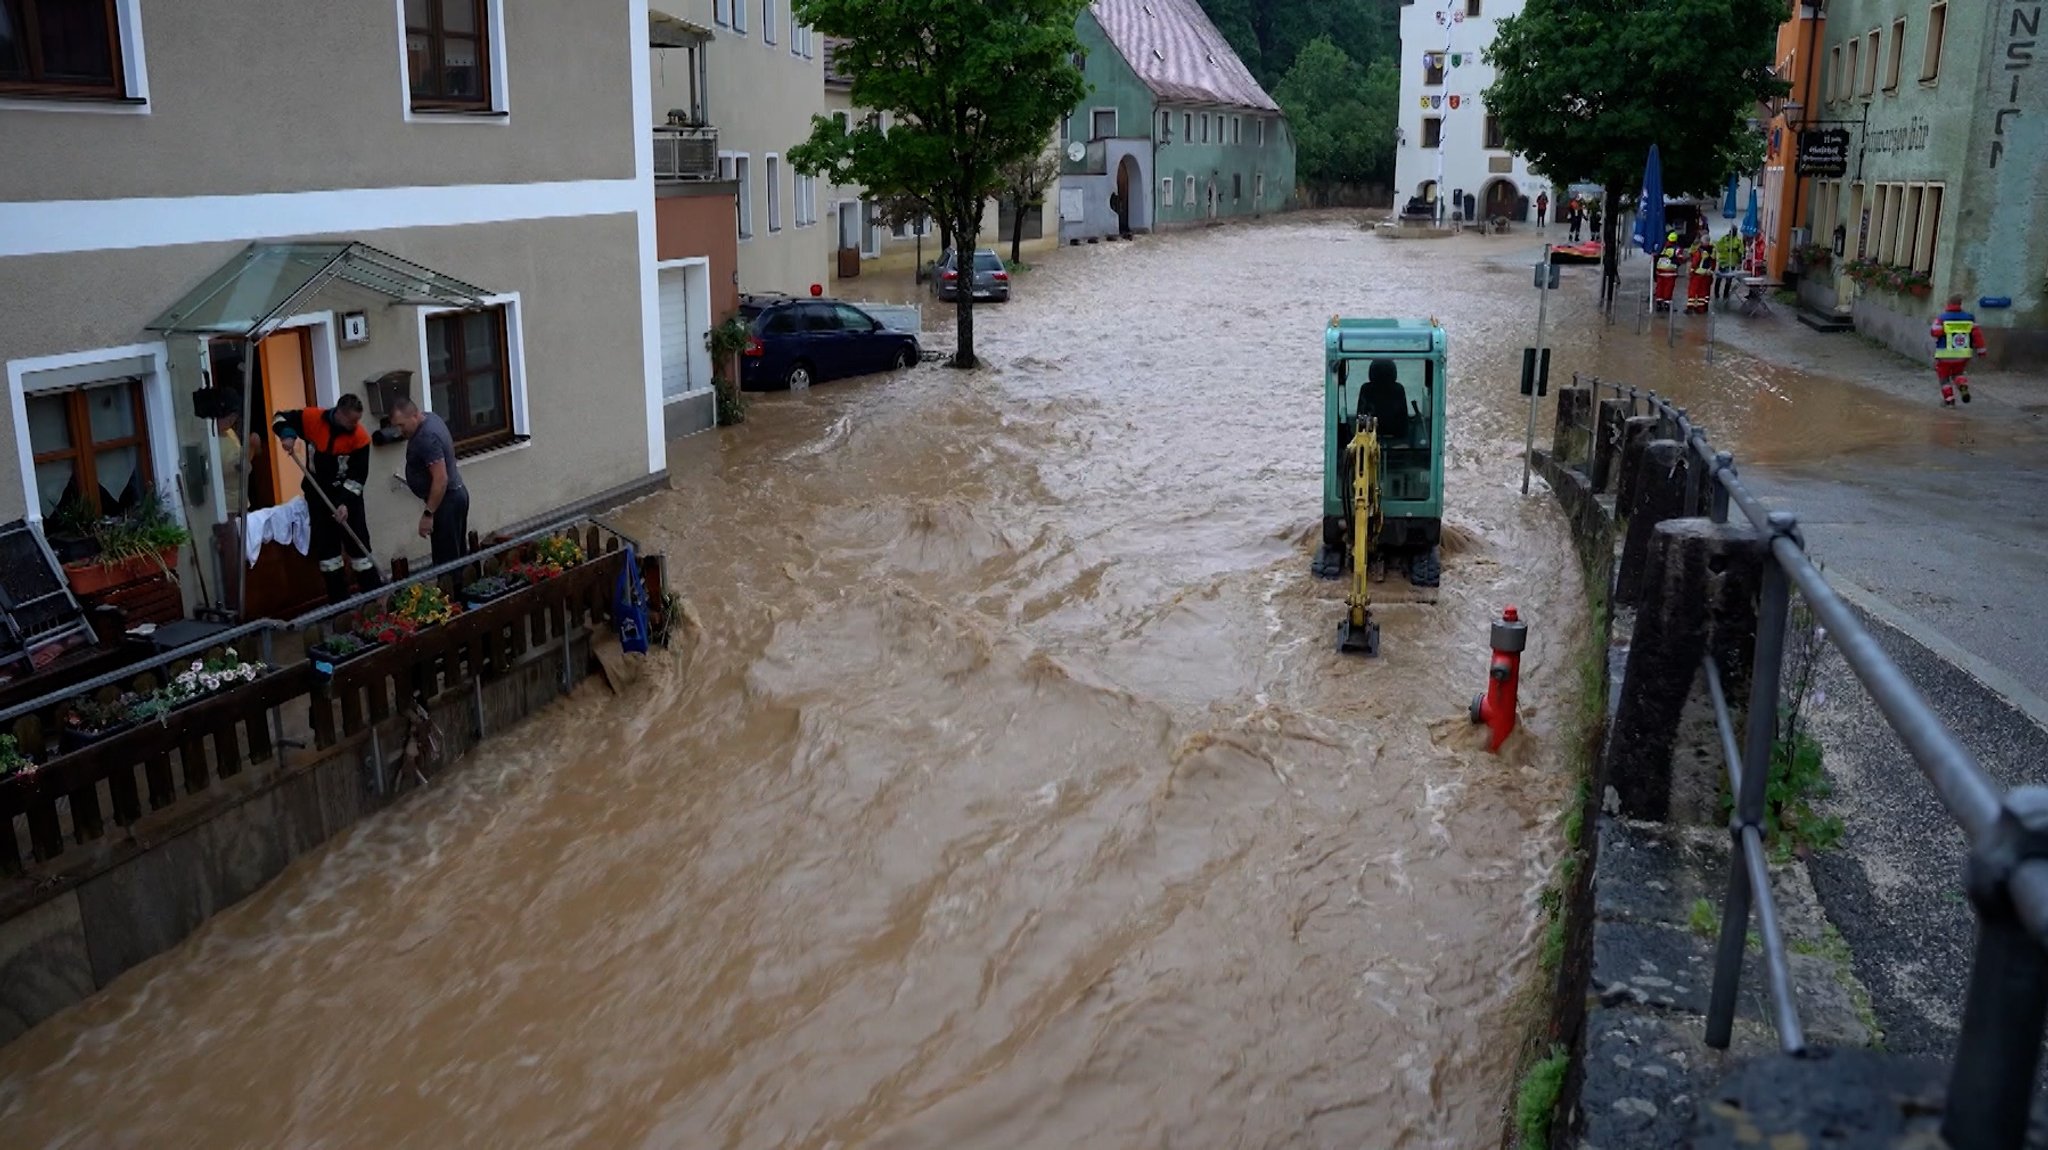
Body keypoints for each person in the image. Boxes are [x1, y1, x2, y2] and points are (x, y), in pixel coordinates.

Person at [273, 394, 381, 603]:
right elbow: (279, 418)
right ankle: (339, 604)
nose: (355, 425)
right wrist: (287, 435)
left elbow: (358, 477)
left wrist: (345, 503)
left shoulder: (360, 437)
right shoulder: (313, 419)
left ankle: (373, 599)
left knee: (360, 551)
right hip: (318, 497)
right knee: (329, 555)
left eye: (357, 420)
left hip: (348, 499)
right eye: (351, 420)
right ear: (339, 413)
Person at [379, 396, 470, 566]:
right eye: (395, 426)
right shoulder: (430, 418)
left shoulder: (426, 438)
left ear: (414, 416)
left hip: (447, 502)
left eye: (401, 425)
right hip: (454, 496)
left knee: (447, 563)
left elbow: (441, 479)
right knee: (456, 556)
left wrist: (429, 514)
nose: (399, 431)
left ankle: (452, 591)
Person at [1929, 293, 1987, 406]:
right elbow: (1977, 335)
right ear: (1960, 304)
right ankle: (1962, 386)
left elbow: (1934, 332)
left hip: (1945, 354)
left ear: (1948, 304)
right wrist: (1981, 350)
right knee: (1958, 373)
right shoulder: (1970, 318)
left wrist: (1945, 331)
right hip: (1962, 354)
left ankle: (1949, 400)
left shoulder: (1942, 318)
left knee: (1944, 377)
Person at [1686, 234, 1716, 315]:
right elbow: (1714, 262)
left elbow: (1695, 262)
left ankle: (1690, 308)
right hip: (1707, 274)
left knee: (1693, 291)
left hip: (1698, 274)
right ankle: (1702, 308)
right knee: (1704, 293)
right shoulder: (1712, 250)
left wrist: (1691, 271)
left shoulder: (1700, 251)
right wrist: (1711, 271)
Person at [1653, 230, 1681, 311]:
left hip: (1660, 271)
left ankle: (1658, 303)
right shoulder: (1677, 249)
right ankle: (1666, 304)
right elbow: (1680, 258)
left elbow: (1656, 256)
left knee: (1660, 287)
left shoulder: (1662, 247)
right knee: (1668, 288)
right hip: (1670, 272)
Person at [1714, 226, 1743, 300]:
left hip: (1732, 263)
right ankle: (1716, 294)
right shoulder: (1724, 239)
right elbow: (1718, 247)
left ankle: (1725, 295)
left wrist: (1736, 250)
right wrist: (1726, 248)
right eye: (1732, 231)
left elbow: (1741, 251)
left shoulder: (1738, 240)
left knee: (1728, 281)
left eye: (1735, 231)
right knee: (1719, 279)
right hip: (1723, 262)